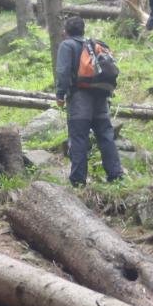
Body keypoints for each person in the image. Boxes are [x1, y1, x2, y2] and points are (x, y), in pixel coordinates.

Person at [55, 16, 124, 187]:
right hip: (100, 97)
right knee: (106, 136)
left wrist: (60, 94)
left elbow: (63, 72)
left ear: (66, 31)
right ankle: (116, 175)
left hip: (79, 99)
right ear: (82, 29)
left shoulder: (67, 45)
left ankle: (78, 181)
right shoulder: (92, 45)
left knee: (79, 138)